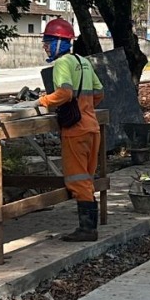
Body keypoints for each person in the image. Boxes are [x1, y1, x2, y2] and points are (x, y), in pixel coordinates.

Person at [37, 18, 104, 241]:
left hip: (75, 131)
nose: (45, 45)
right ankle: (89, 226)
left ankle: (87, 229)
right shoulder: (83, 62)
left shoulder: (61, 64)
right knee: (87, 176)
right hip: (92, 128)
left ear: (59, 43)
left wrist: (44, 101)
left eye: (48, 41)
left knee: (77, 179)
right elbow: (99, 92)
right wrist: (84, 107)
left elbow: (64, 93)